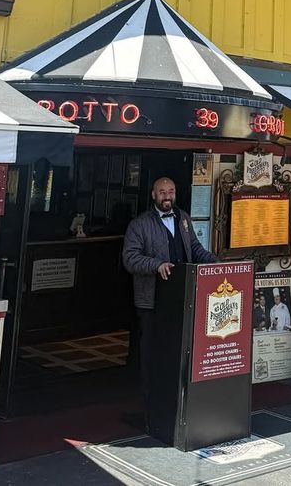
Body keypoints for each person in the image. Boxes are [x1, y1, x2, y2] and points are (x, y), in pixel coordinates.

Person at [122, 177, 216, 415]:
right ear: (153, 195)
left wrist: (215, 262)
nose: (167, 196)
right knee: (152, 351)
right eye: (162, 192)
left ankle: (175, 398)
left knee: (178, 349)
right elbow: (130, 258)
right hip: (152, 300)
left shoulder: (183, 218)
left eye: (171, 191)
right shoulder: (139, 224)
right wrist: (156, 265)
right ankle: (149, 401)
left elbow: (194, 249)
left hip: (181, 298)